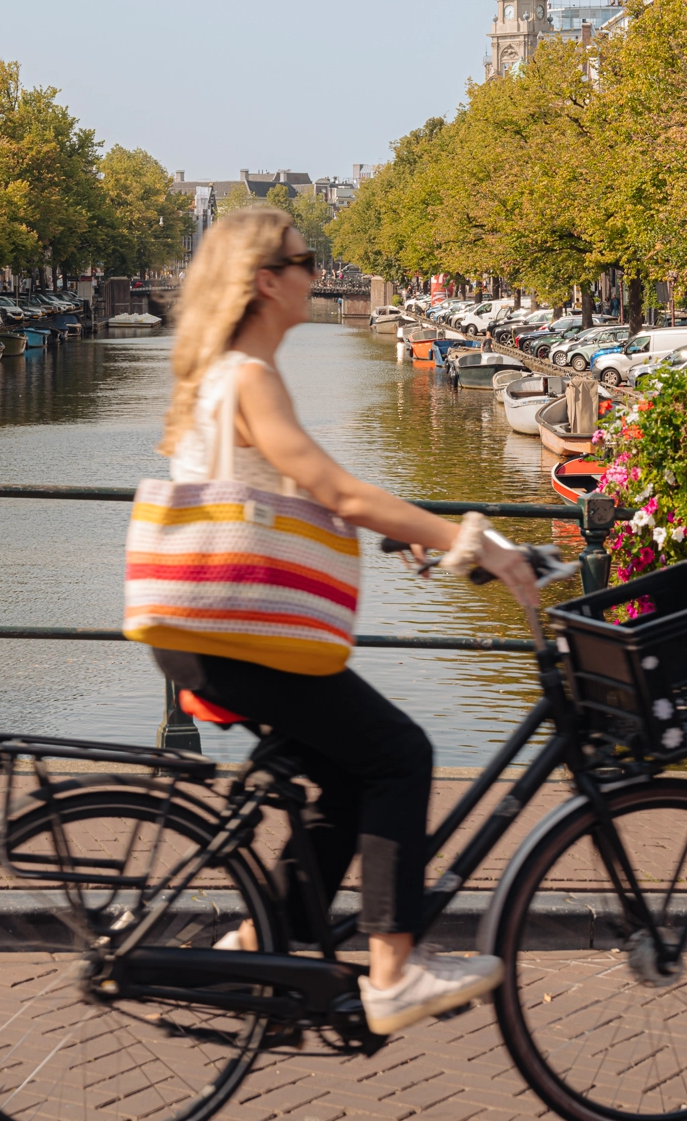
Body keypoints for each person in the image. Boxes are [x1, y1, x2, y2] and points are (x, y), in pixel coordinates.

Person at [146, 208, 542, 1036]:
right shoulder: (249, 377)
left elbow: (282, 491)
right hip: (240, 631)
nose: (314, 272)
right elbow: (335, 489)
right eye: (306, 258)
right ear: (266, 281)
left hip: (203, 632)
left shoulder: (221, 373)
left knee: (346, 778)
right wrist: (479, 544)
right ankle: (393, 971)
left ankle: (263, 944)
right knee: (401, 755)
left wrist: (391, 531)